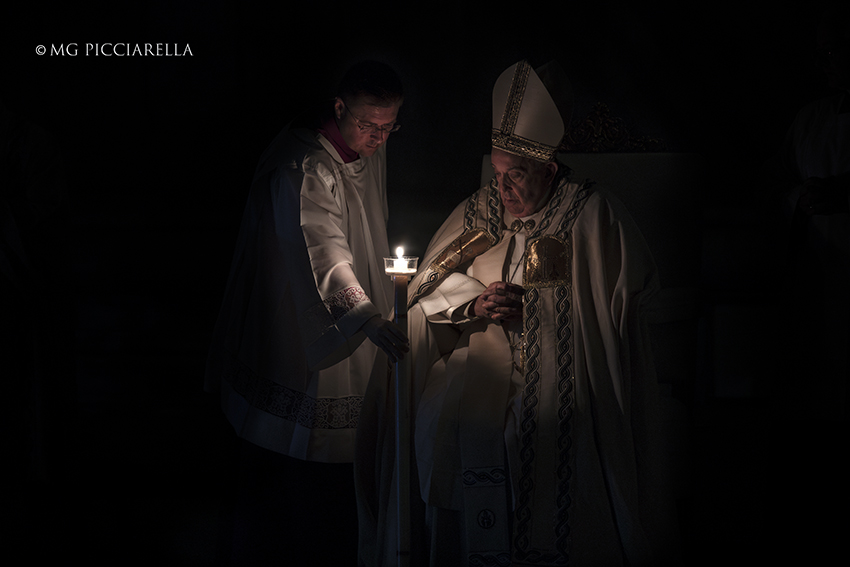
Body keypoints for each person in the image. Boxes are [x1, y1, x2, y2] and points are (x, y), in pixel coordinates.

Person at [356, 60, 678, 566]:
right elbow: (422, 294)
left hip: (561, 370)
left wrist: (545, 311)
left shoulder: (592, 213)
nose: (503, 190)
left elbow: (625, 307)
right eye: (498, 173)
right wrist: (473, 302)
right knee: (444, 421)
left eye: (518, 176)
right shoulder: (478, 209)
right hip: (477, 361)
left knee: (540, 426)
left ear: (549, 169)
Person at [205, 60, 409, 565]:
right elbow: (323, 253)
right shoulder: (306, 168)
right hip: (299, 320)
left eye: (389, 126)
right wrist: (365, 317)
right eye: (368, 124)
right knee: (297, 459)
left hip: (349, 314)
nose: (379, 137)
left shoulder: (366, 149)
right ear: (339, 108)